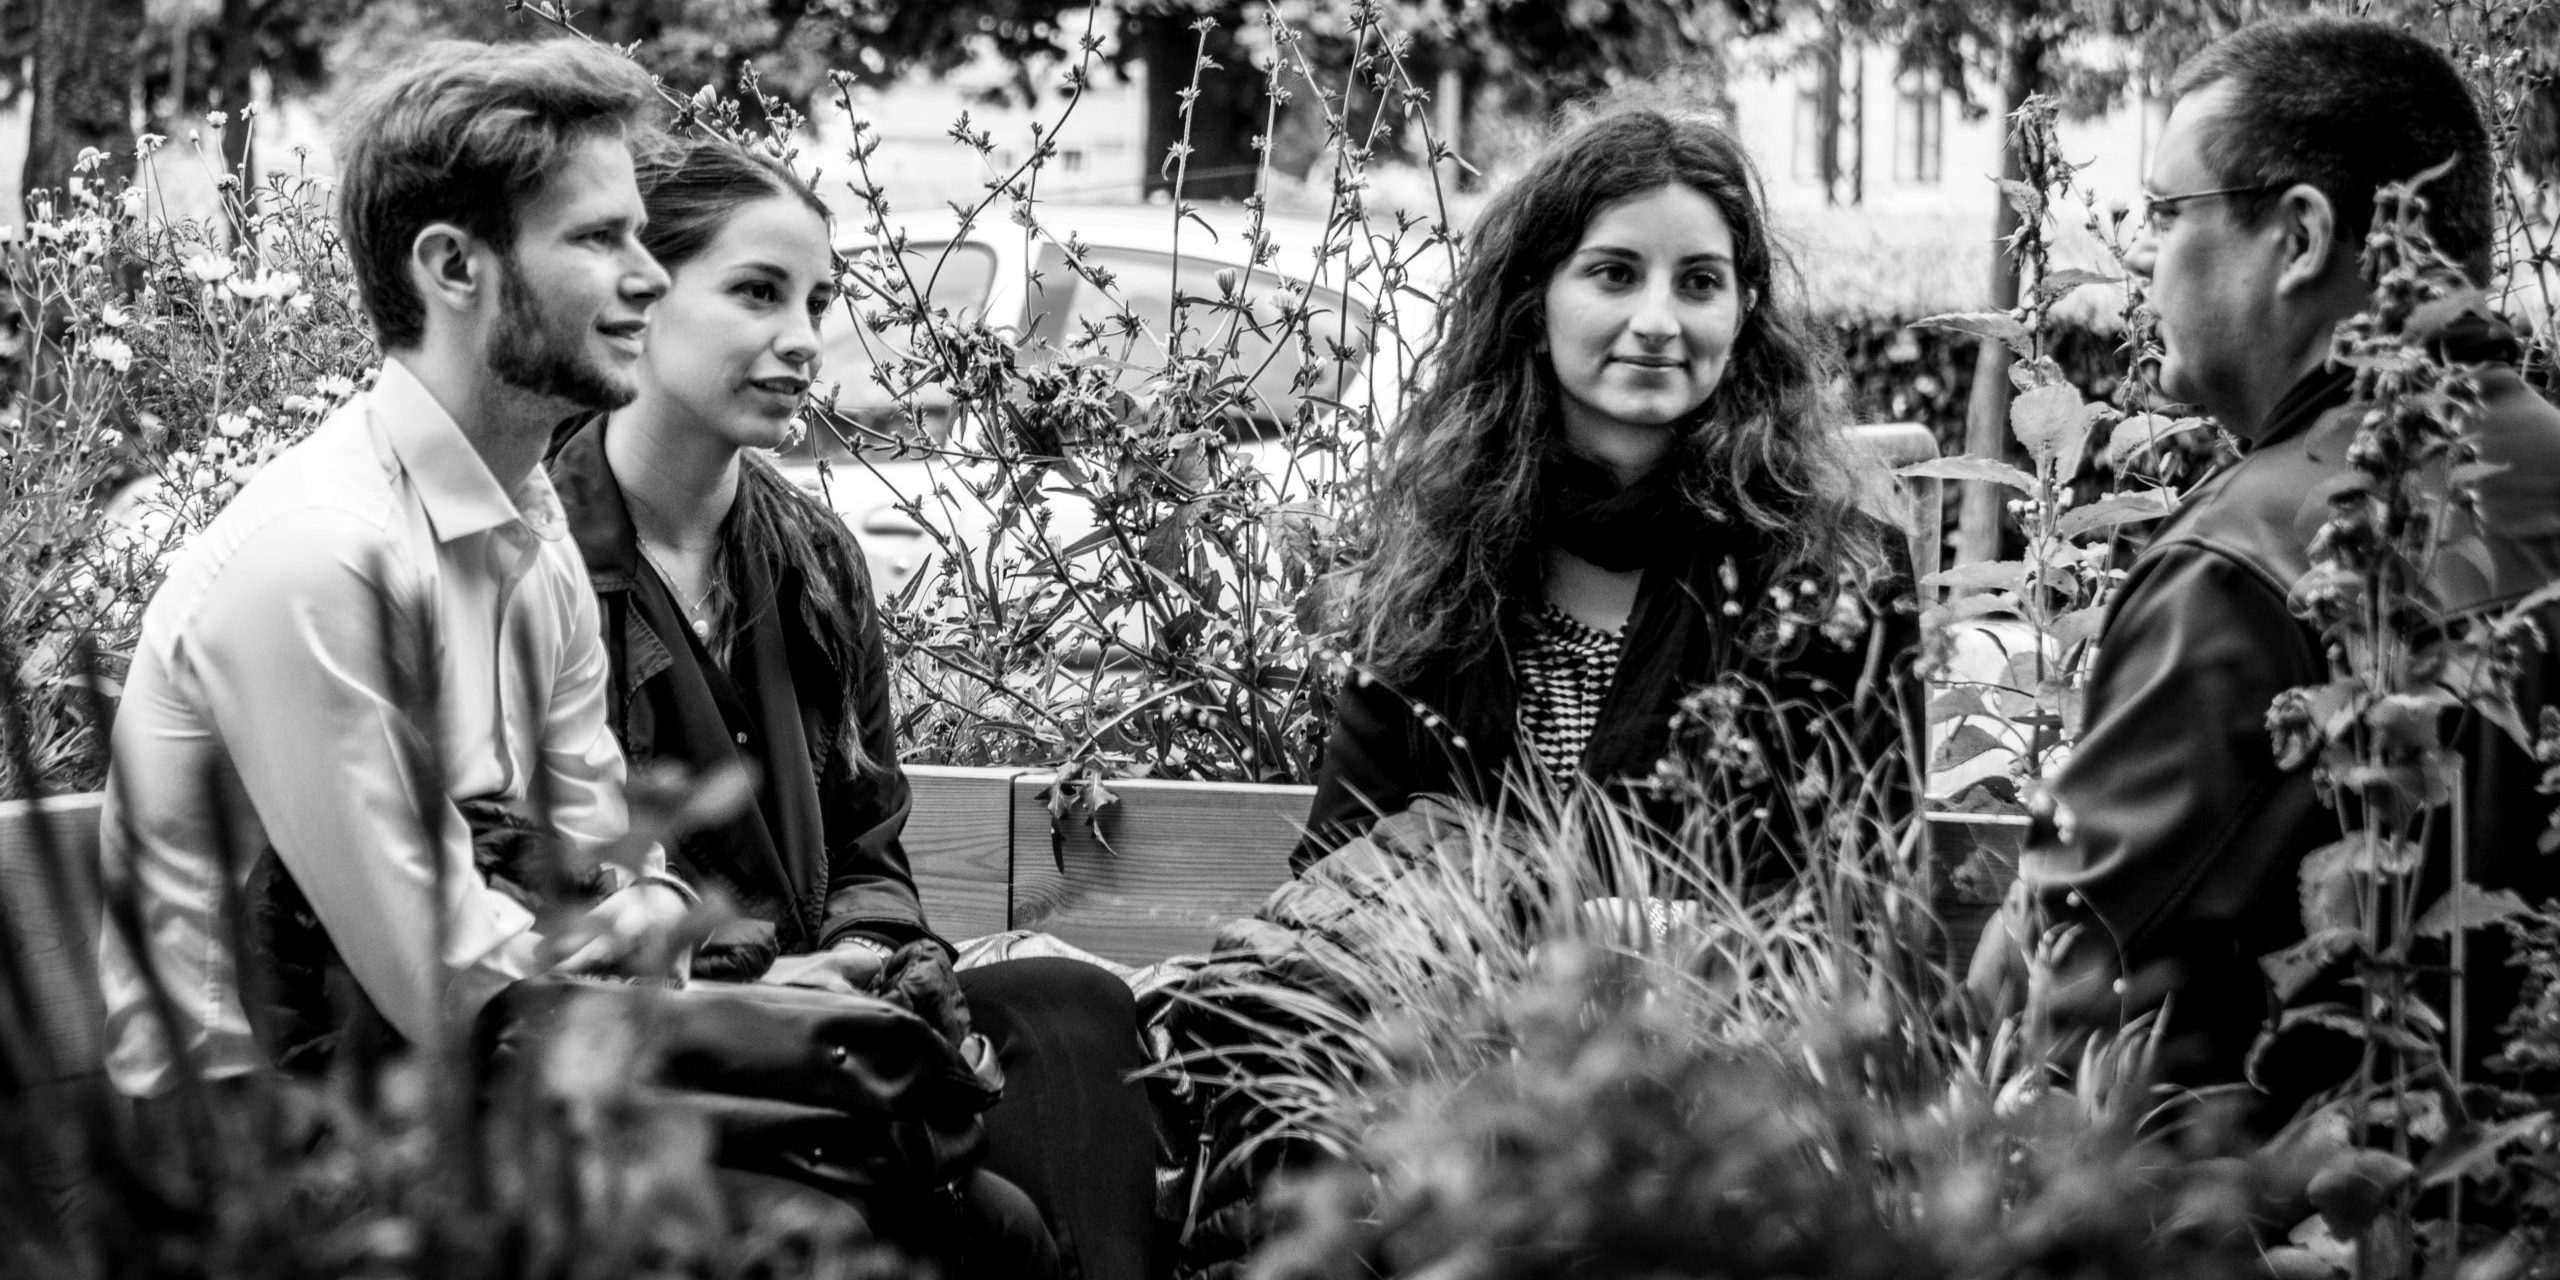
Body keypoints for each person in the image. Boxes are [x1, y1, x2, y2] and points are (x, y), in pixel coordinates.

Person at [542, 135, 1156, 1280]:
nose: (803, 337)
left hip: (833, 1000)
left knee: (1073, 1005)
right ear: (642, 292)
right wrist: (757, 982)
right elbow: (552, 895)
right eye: (757, 292)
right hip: (671, 1035)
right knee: (985, 1209)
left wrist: (878, 947)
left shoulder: (811, 552)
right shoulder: (547, 564)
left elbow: (867, 828)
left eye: (818, 299)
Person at [1976, 15, 2560, 1128]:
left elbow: (2062, 992)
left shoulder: (2243, 561)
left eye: (2163, 214)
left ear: (2297, 236)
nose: (2141, 255)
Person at [96, 37, 692, 1099]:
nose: (651, 277)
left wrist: (655, 907)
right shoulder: (320, 554)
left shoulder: (535, 536)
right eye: (601, 238)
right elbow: (446, 980)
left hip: (487, 1094)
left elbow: (607, 856)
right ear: (453, 266)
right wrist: (634, 924)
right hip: (268, 1153)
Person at [1296, 103, 1918, 874]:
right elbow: (1334, 865)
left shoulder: (1833, 576)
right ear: (1535, 299)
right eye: (1614, 274)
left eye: (1699, 282)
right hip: (1438, 995)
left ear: (1743, 310)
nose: (1657, 320)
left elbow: (1863, 899)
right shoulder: (1437, 551)